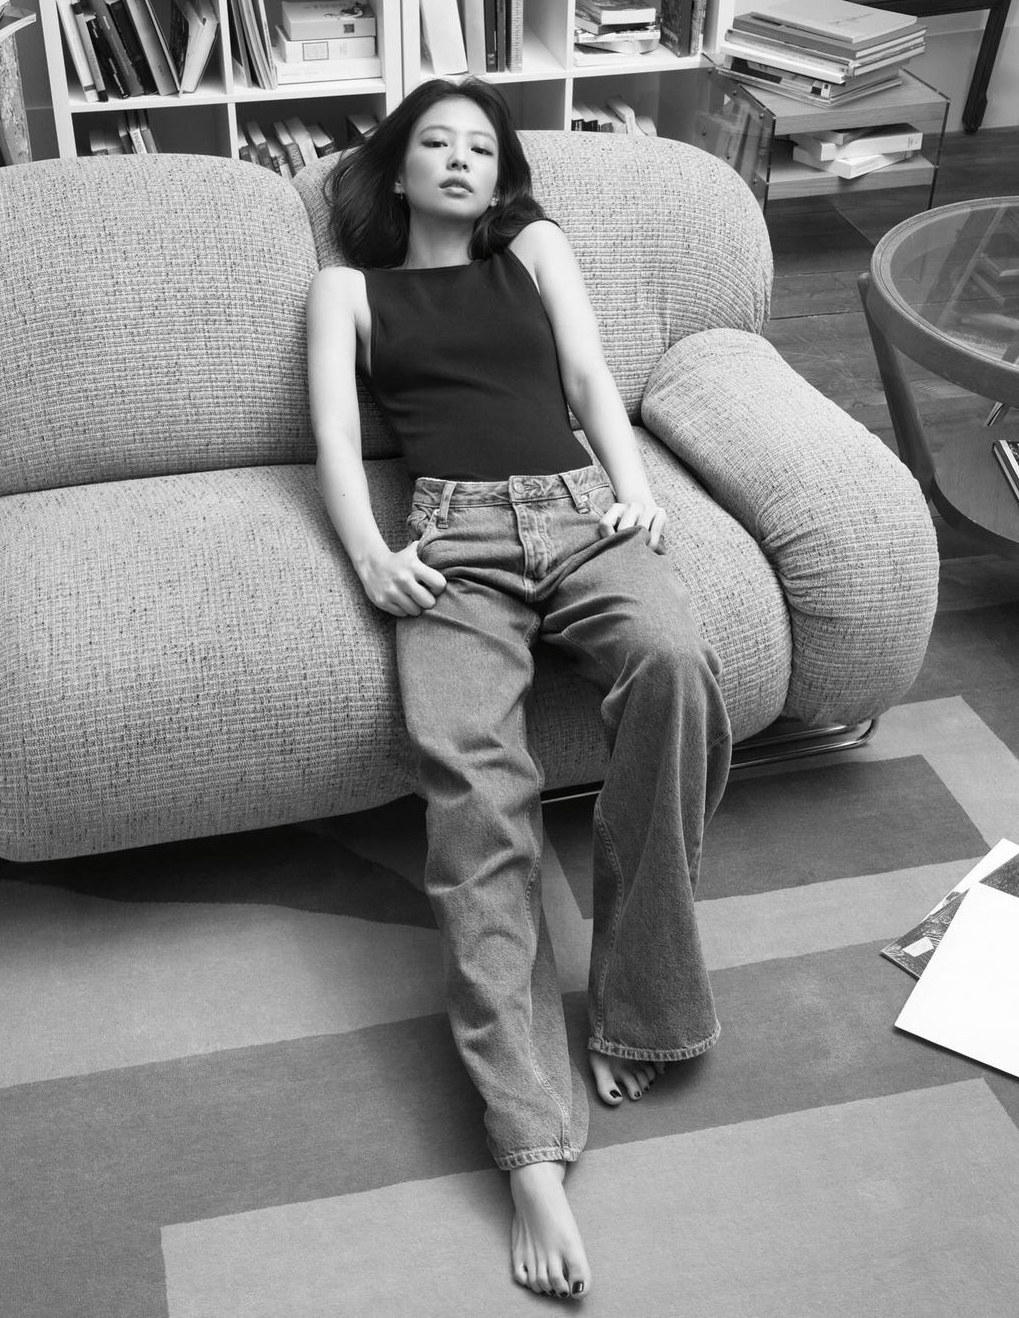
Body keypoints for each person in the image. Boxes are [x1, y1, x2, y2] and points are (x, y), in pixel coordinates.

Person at [307, 76, 731, 1301]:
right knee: (474, 794)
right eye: (435, 143)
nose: (459, 160)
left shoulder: (535, 248)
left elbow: (592, 382)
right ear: (396, 169)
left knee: (677, 662)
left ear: (501, 176)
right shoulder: (347, 292)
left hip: (580, 512)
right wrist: (373, 557)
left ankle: (639, 1006)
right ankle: (531, 1143)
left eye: (480, 148)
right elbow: (335, 442)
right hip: (452, 542)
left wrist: (636, 491)